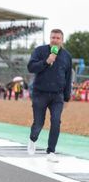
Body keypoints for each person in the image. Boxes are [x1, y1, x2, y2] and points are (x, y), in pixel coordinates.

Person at [27, 29, 72, 163]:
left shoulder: (66, 56)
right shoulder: (40, 51)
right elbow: (31, 67)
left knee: (56, 122)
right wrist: (47, 61)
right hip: (40, 93)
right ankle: (32, 139)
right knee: (39, 123)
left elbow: (68, 77)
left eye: (58, 38)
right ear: (50, 38)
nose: (55, 40)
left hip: (57, 96)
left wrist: (67, 97)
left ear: (62, 40)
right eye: (53, 37)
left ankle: (51, 151)